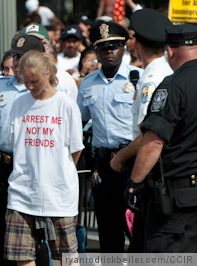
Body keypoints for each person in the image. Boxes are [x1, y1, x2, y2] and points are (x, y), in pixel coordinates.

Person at [4, 49, 83, 266]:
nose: (29, 86)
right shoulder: (19, 104)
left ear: (48, 73)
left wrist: (58, 170)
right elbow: (13, 144)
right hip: (22, 192)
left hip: (59, 193)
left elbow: (76, 149)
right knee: (22, 258)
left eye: (34, 81)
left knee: (68, 258)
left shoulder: (65, 104)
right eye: (25, 81)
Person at [128, 23, 197, 253]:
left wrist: (133, 184)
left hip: (177, 202)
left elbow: (154, 141)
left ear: (169, 51)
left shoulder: (173, 86)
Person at [110, 8, 173, 253]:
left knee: (143, 243)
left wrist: (120, 158)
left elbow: (148, 134)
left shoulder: (150, 80)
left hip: (149, 170)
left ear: (137, 45)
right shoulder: (164, 72)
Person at [77, 21, 143, 253]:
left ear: (124, 48)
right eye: (103, 48)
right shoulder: (87, 84)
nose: (109, 52)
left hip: (133, 162)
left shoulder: (139, 79)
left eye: (114, 46)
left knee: (137, 230)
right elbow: (79, 124)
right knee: (108, 231)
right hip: (103, 165)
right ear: (96, 51)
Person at [0, 35, 45, 266]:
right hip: (1, 166)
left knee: (33, 234)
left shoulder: (44, 91)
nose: (17, 61)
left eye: (22, 56)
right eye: (15, 56)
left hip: (31, 167)